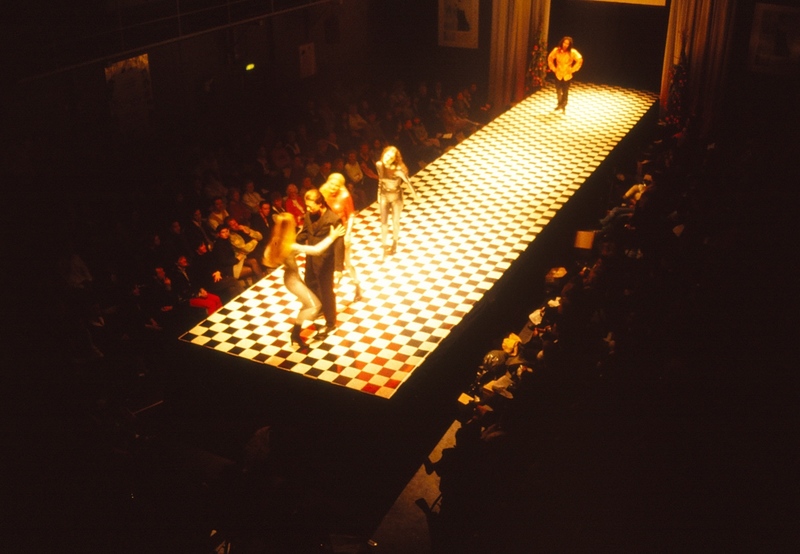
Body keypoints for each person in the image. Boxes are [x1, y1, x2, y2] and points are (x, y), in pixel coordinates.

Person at [264, 213, 345, 351]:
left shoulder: (277, 241)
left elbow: (267, 256)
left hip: (291, 278)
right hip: (293, 281)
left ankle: (295, 334)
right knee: (314, 306)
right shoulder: (289, 246)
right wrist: (332, 236)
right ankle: (295, 333)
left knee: (307, 305)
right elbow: (316, 250)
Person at [296, 189, 345, 338]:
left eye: (310, 206)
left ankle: (330, 323)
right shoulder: (308, 215)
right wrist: (291, 241)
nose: (308, 209)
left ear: (320, 203)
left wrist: (338, 268)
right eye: (306, 206)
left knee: (326, 292)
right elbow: (306, 232)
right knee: (310, 283)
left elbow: (339, 244)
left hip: (325, 261)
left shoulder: (333, 219)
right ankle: (321, 308)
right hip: (311, 258)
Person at [320, 173, 362, 302]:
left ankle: (357, 285)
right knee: (327, 264)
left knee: (347, 263)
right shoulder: (322, 192)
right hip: (326, 233)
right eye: (331, 184)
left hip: (342, 232)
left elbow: (351, 215)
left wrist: (348, 234)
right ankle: (328, 293)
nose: (333, 188)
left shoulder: (345, 196)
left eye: (336, 186)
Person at [375, 145, 417, 258]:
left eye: (391, 157)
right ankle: (384, 246)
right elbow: (380, 179)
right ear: (383, 154)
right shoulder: (379, 165)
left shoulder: (398, 170)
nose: (388, 158)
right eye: (387, 155)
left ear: (394, 159)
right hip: (384, 195)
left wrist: (414, 193)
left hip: (396, 196)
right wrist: (378, 193)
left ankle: (394, 243)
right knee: (383, 223)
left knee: (395, 221)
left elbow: (408, 181)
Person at [547, 36, 583, 112]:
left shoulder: (572, 52)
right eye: (564, 43)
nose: (565, 45)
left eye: (567, 44)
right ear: (562, 42)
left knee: (565, 90)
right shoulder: (556, 50)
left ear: (569, 45)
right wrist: (553, 68)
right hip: (559, 73)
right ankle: (559, 104)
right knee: (558, 90)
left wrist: (573, 69)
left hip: (567, 74)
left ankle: (563, 104)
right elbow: (550, 58)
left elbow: (579, 59)